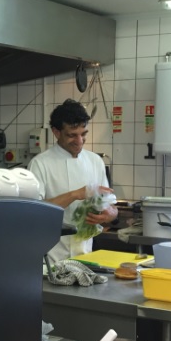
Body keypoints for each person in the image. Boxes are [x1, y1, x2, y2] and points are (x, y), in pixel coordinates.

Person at [29, 99, 118, 264]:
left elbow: (111, 206)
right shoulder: (40, 164)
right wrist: (76, 194)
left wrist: (110, 214)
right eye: (72, 135)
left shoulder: (95, 161)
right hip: (51, 257)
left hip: (86, 255)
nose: (79, 141)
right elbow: (34, 212)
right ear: (56, 132)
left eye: (83, 134)